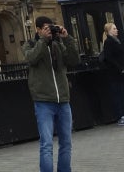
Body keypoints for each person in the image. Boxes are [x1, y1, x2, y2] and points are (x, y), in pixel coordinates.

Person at [23, 15, 81, 172]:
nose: (50, 31)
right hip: (43, 102)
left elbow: (74, 60)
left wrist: (67, 39)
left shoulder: (58, 44)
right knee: (47, 144)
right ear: (38, 30)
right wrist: (43, 40)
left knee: (66, 143)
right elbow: (31, 58)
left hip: (63, 100)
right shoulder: (30, 44)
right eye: (47, 29)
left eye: (51, 28)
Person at [100, 22, 124, 125]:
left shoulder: (117, 41)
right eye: (114, 29)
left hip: (120, 73)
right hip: (114, 73)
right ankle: (121, 116)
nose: (117, 30)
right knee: (117, 95)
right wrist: (120, 68)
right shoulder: (108, 42)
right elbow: (109, 57)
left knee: (122, 94)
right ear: (109, 31)